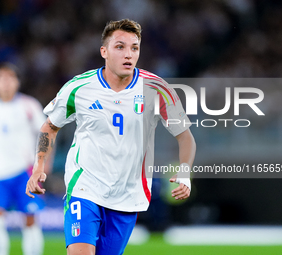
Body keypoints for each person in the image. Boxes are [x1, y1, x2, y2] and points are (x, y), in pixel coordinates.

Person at [26, 19, 196, 255]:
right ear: (104, 51)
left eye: (134, 48)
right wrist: (38, 166)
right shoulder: (79, 88)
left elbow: (185, 136)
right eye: (120, 47)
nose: (128, 54)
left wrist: (185, 171)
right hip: (84, 188)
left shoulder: (157, 90)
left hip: (127, 196)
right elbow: (49, 127)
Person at [0, 63, 47, 255]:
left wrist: (42, 165)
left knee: (30, 218)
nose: (5, 82)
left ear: (17, 82)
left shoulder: (29, 105)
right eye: (1, 78)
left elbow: (46, 136)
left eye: (10, 78)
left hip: (25, 171)